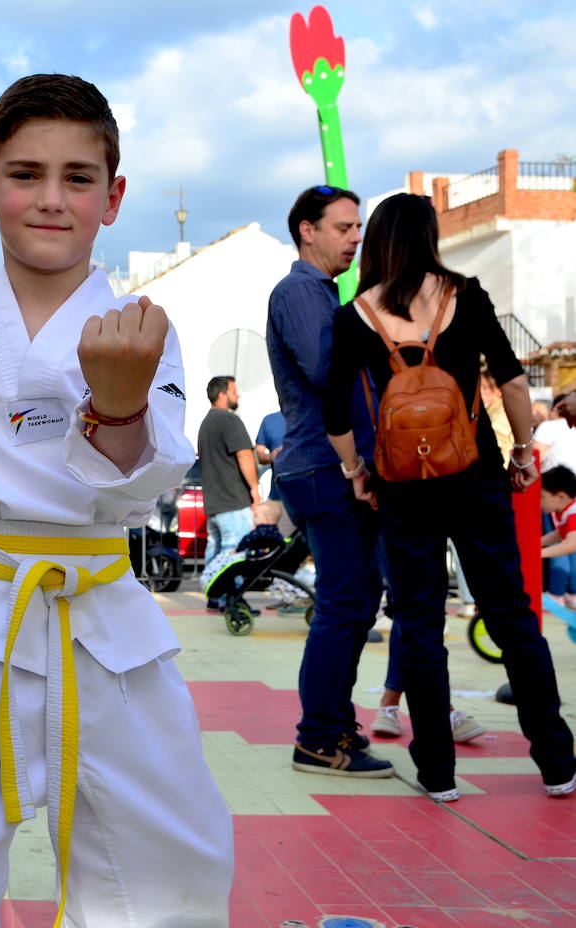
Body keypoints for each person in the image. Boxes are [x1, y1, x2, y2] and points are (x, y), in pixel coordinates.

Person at [0, 73, 232, 927]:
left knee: (171, 855)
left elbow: (149, 481)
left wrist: (121, 406)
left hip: (103, 612)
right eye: (25, 174)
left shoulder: (140, 328)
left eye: (78, 178)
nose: (52, 199)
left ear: (114, 197)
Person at [325, 192, 573, 802]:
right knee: (510, 612)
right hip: (475, 475)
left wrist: (357, 472)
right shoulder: (467, 294)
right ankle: (556, 761)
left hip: (402, 485)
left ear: (380, 241)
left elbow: (335, 412)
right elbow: (513, 384)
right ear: (429, 237)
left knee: (418, 620)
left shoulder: (356, 315)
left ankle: (437, 772)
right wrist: (522, 455)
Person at [265, 185, 394, 778]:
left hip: (334, 465)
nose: (355, 238)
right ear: (307, 231)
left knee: (358, 602)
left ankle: (334, 727)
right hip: (324, 465)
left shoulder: (324, 294)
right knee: (345, 605)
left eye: (358, 228)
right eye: (344, 227)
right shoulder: (298, 291)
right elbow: (326, 369)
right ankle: (318, 738)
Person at [197, 375, 260, 571]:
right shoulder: (229, 419)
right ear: (222, 395)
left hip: (214, 504)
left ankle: (212, 589)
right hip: (234, 502)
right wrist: (255, 489)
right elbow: (244, 455)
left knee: (215, 554)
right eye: (234, 392)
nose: (238, 395)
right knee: (234, 555)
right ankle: (230, 591)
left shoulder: (206, 423)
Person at [541, 465, 576, 608]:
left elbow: (571, 545)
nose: (539, 502)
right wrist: (537, 543)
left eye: (542, 497)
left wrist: (539, 553)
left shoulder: (573, 514)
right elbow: (560, 533)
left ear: (561, 497)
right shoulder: (566, 511)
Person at [254, 409, 286, 502]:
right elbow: (258, 455)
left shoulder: (314, 414)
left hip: (313, 492)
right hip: (279, 495)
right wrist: (271, 456)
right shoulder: (269, 420)